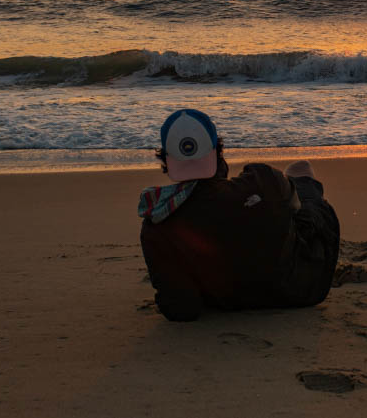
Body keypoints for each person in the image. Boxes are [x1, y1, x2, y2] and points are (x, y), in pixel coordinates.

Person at [138, 109, 340, 321]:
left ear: (166, 161)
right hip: (302, 289)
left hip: (227, 300)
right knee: (301, 169)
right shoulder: (263, 178)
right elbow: (297, 208)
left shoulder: (157, 225)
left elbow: (181, 310)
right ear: (218, 151)